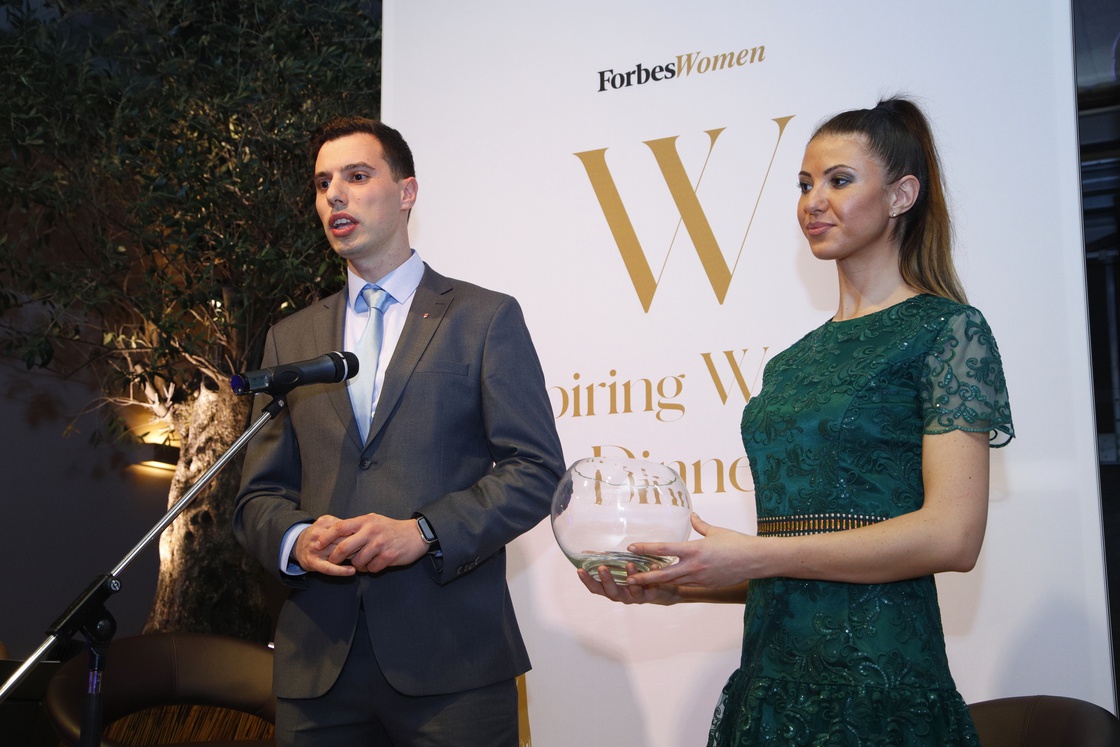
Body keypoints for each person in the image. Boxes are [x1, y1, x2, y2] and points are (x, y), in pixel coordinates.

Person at [579, 97, 1014, 746]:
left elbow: (953, 535)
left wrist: (756, 553)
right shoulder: (789, 364)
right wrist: (682, 584)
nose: (814, 201)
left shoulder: (948, 331)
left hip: (879, 684)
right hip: (772, 682)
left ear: (901, 195)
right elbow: (799, 558)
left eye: (839, 180)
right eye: (805, 184)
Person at [234, 116, 565, 746]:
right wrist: (296, 539)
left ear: (407, 192)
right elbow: (258, 497)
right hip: (317, 669)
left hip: (453, 664)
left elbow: (537, 469)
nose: (335, 195)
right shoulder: (290, 338)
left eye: (357, 176)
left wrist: (424, 532)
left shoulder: (483, 317)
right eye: (323, 183)